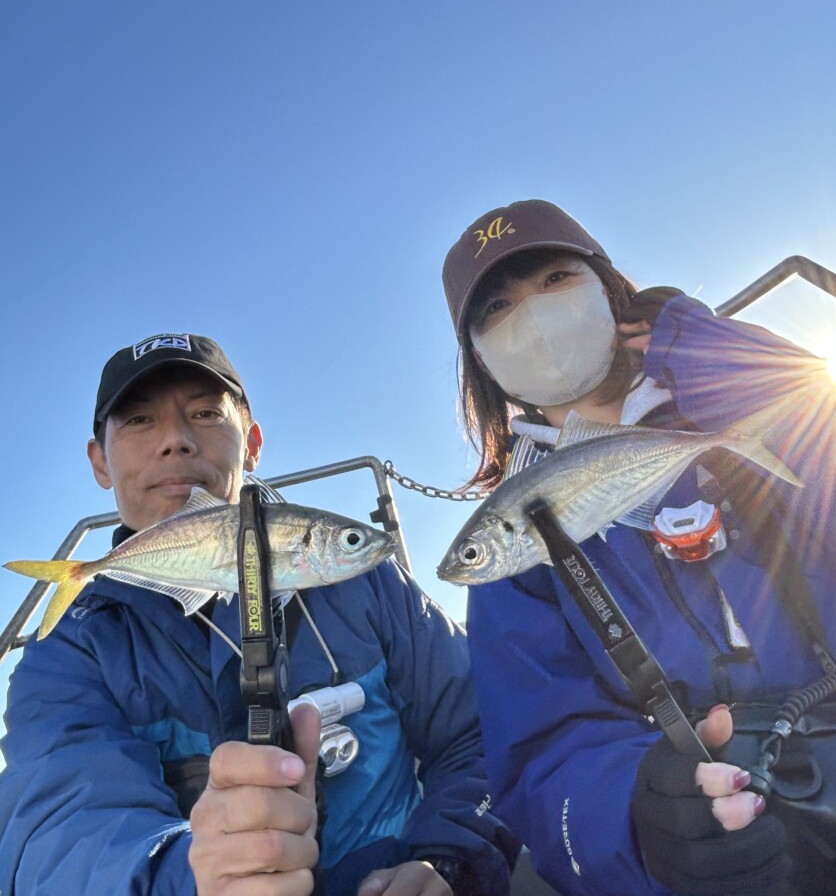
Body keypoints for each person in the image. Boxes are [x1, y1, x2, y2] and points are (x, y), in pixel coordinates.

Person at [0, 332, 518, 896]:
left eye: (204, 413)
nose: (175, 440)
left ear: (252, 442)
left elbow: (481, 726)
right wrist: (189, 877)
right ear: (99, 461)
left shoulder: (366, 582)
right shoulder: (73, 647)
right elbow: (61, 823)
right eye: (139, 421)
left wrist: (449, 859)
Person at [441, 199, 836, 896]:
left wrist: (705, 349)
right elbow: (540, 750)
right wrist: (636, 817)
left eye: (556, 279)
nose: (533, 316)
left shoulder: (748, 402)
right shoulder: (513, 533)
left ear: (609, 288)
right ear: (481, 362)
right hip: (725, 827)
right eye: (497, 308)